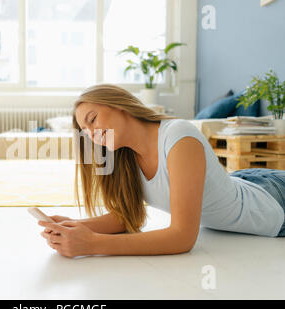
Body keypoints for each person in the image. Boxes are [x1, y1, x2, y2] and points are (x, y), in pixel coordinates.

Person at [38, 84, 285, 258]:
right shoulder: (124, 158)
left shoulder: (178, 137)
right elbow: (127, 218)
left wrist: (93, 245)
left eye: (92, 119)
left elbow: (182, 237)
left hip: (272, 201)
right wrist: (75, 227)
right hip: (241, 183)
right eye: (85, 130)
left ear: (118, 106)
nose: (91, 134)